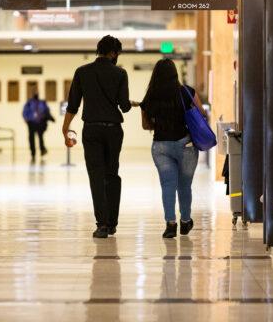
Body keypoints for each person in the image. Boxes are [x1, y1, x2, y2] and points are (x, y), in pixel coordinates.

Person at [62, 35, 131, 238]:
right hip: (113, 130)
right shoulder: (120, 73)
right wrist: (131, 103)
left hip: (91, 129)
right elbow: (124, 106)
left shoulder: (82, 72)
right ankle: (112, 223)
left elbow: (73, 104)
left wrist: (65, 129)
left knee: (96, 176)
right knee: (112, 174)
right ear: (113, 53)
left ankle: (101, 224)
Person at [137, 59, 206, 239]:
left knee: (167, 185)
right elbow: (201, 115)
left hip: (161, 146)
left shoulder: (150, 96)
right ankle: (185, 221)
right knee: (185, 186)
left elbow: (145, 125)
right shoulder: (186, 92)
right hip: (186, 145)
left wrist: (159, 122)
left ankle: (170, 224)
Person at [22, 91, 55, 162]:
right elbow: (25, 112)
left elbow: (47, 111)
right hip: (31, 123)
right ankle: (33, 152)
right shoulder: (29, 103)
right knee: (31, 138)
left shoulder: (42, 102)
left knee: (40, 137)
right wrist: (27, 119)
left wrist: (50, 117)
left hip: (40, 123)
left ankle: (42, 150)